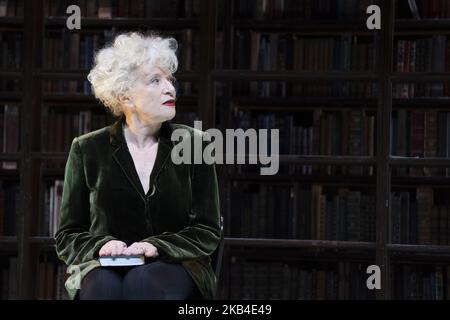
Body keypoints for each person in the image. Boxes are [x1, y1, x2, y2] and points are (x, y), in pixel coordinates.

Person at [55, 32, 221, 300]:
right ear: (125, 96)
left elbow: (207, 230)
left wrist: (156, 247)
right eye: (155, 80)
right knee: (103, 289)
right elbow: (68, 234)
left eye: (170, 79)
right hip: (104, 265)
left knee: (142, 283)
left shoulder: (195, 144)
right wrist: (103, 245)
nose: (170, 88)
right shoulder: (87, 149)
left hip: (177, 264)